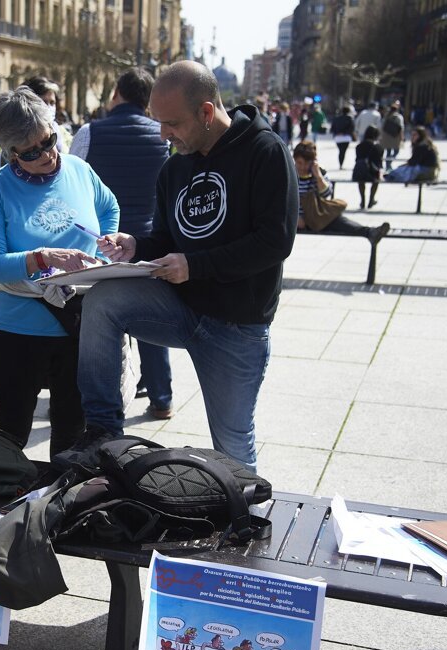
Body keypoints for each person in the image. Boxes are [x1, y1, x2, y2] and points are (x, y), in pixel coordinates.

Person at [59, 61, 297, 473]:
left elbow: (274, 242)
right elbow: (167, 238)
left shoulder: (265, 151)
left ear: (206, 112)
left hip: (236, 326)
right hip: (181, 309)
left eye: (171, 124)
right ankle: (101, 428)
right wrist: (135, 245)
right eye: (159, 122)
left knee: (233, 451)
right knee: (102, 300)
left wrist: (195, 265)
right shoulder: (175, 166)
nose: (163, 135)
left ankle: (246, 505)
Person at [0, 86, 118, 454]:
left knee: (72, 435)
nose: (47, 154)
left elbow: (109, 207)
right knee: (9, 436)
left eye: (49, 140)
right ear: (11, 153)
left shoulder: (79, 170)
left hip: (78, 324)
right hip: (17, 329)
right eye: (31, 152)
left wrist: (107, 246)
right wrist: (43, 258)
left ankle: (61, 492)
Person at [70, 67, 174, 420]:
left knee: (99, 321)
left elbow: (72, 183)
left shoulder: (90, 132)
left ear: (117, 93)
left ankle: (100, 401)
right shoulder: (163, 135)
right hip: (148, 242)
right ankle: (161, 397)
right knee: (152, 319)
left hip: (102, 243)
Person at [295, 141, 389, 242]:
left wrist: (318, 176)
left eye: (307, 163)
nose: (303, 167)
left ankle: (370, 232)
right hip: (292, 219)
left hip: (315, 217)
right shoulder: (289, 174)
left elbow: (326, 193)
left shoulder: (319, 173)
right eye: (299, 163)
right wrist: (295, 218)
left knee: (337, 220)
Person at [352, 127, 384, 210]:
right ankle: (371, 199)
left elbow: (357, 159)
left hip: (360, 172)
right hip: (372, 172)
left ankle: (362, 200)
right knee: (376, 181)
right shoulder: (378, 147)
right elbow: (379, 163)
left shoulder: (359, 146)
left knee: (361, 181)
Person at [380, 103, 405, 170]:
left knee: (388, 151)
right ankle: (389, 163)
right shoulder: (399, 117)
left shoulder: (386, 116)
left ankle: (387, 164)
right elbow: (401, 127)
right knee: (396, 151)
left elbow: (382, 126)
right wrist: (402, 137)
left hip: (387, 136)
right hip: (395, 136)